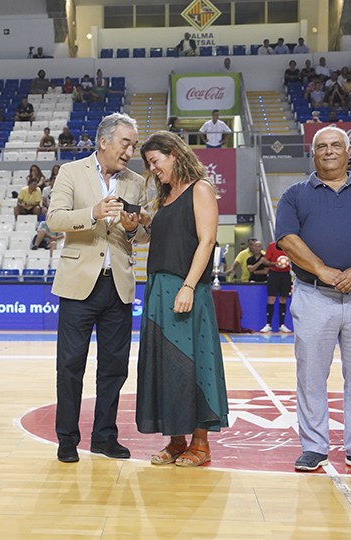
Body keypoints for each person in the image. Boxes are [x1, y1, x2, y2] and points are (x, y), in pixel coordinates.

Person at [274, 125, 351, 474]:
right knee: (310, 375)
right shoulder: (295, 194)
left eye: (336, 145)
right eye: (322, 146)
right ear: (313, 153)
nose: (329, 151)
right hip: (314, 295)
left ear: (349, 151)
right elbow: (287, 238)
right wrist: (322, 270)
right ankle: (314, 446)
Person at [46, 112, 148, 463]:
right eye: (125, 143)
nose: (130, 151)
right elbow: (55, 218)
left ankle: (104, 437)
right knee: (70, 366)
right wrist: (92, 211)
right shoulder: (71, 172)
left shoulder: (136, 181)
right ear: (104, 141)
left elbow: (142, 232)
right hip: (78, 286)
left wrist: (134, 228)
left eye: (133, 145)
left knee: (114, 368)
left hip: (118, 286)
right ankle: (67, 440)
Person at [135, 131, 228, 468]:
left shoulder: (200, 189)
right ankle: (176, 442)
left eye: (155, 161)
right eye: (148, 164)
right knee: (166, 365)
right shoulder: (164, 197)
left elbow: (206, 242)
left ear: (174, 154)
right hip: (157, 289)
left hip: (187, 289)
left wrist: (188, 287)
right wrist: (144, 223)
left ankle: (200, 443)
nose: (153, 169)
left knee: (197, 363)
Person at [258, 241, 291, 333]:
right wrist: (274, 264)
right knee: (271, 298)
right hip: (274, 274)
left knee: (283, 298)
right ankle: (268, 324)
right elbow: (265, 260)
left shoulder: (289, 245)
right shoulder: (272, 245)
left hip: (285, 274)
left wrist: (289, 262)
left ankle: (282, 325)